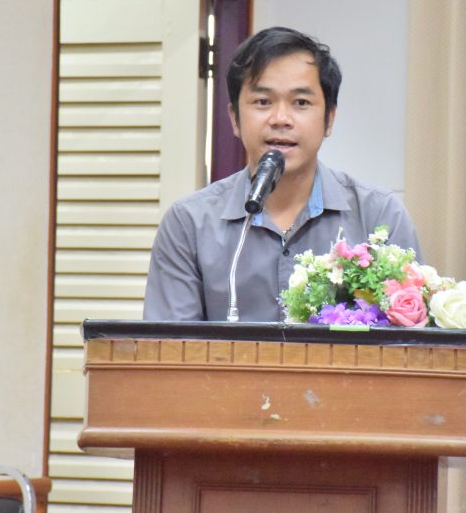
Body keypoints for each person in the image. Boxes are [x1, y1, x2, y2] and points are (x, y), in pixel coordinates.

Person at [143, 26, 422, 322]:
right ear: (234, 119)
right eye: (263, 102)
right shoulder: (189, 225)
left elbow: (408, 340)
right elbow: (170, 344)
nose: (280, 119)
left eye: (301, 102)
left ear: (329, 119)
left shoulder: (379, 217)